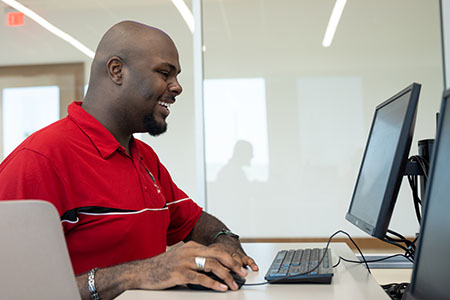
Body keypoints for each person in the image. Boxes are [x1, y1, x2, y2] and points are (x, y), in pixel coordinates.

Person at [0, 20, 258, 299]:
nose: (177, 87)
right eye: (164, 73)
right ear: (117, 70)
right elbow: (13, 287)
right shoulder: (39, 160)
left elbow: (192, 221)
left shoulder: (144, 157)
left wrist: (224, 240)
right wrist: (136, 274)